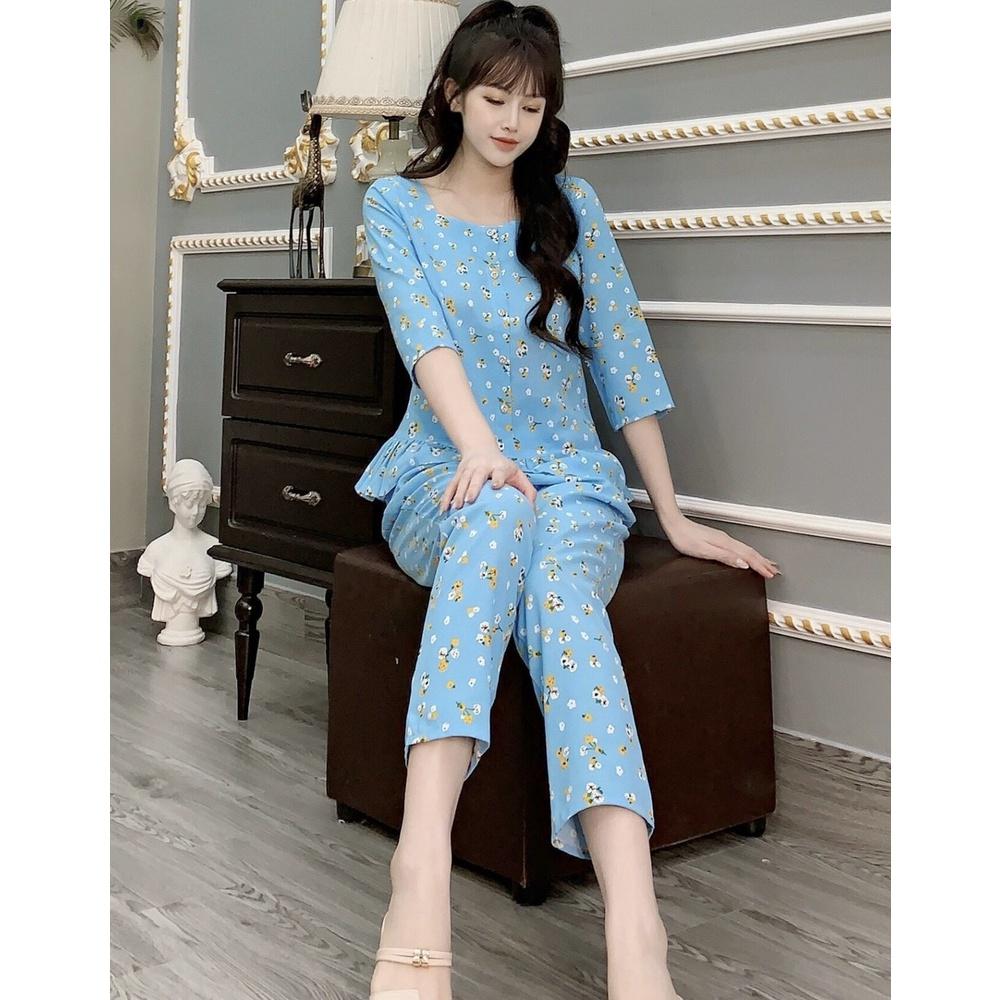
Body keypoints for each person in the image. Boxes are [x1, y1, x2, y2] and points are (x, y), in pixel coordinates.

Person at [356, 4, 780, 998]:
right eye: (494, 98)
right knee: (498, 509)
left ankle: (636, 929)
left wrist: (671, 516)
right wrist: (482, 451)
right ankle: (421, 866)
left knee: (557, 591)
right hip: (441, 476)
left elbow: (623, 365)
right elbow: (426, 340)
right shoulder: (396, 204)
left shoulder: (571, 207)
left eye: (533, 104)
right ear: (452, 95)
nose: (512, 121)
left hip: (573, 486)